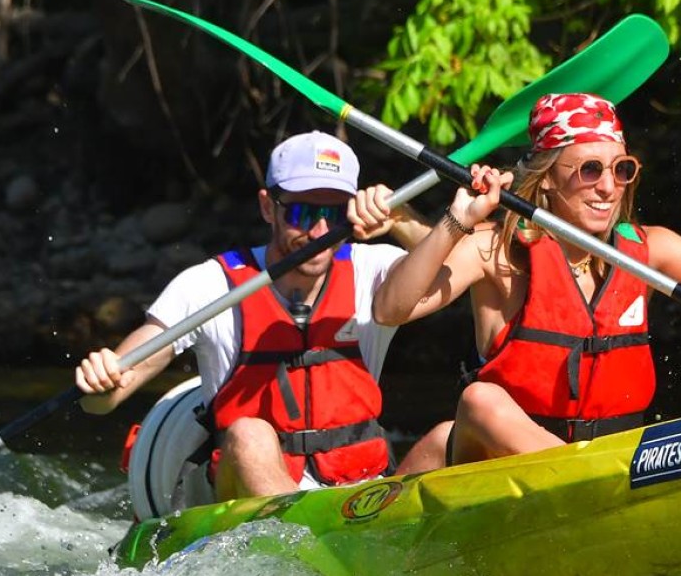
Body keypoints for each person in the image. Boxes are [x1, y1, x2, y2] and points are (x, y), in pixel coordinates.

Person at [370, 93, 681, 466]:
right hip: (503, 465)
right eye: (589, 170)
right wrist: (458, 219)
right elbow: (390, 309)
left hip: (613, 459)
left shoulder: (650, 249)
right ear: (547, 178)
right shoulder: (498, 249)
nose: (609, 187)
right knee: (479, 401)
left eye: (621, 169)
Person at [75, 130, 453, 500]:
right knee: (249, 435)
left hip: (358, 489)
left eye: (335, 213)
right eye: (303, 213)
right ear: (268, 207)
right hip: (241, 491)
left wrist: (401, 218)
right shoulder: (210, 286)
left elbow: (459, 265)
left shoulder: (374, 271)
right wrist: (102, 382)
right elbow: (107, 396)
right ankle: (296, 530)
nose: (320, 230)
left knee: (447, 437)